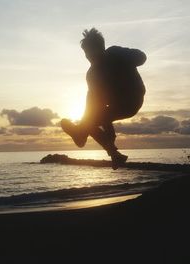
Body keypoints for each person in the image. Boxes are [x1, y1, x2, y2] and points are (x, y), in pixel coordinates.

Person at [61, 28, 146, 170]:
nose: (88, 56)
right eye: (86, 53)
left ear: (100, 48)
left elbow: (141, 57)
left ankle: (80, 133)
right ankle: (114, 154)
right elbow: (98, 107)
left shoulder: (113, 53)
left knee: (88, 114)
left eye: (90, 51)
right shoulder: (92, 74)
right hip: (116, 105)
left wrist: (126, 57)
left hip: (132, 99)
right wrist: (109, 135)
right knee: (90, 112)